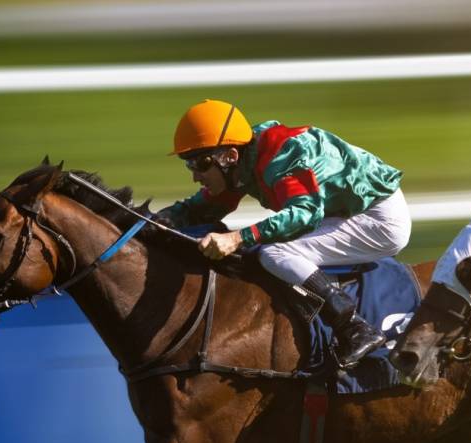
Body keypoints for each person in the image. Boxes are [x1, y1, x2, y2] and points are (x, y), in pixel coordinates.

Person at [158, 99, 408, 369]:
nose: (196, 176)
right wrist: (154, 220)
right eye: (189, 165)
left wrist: (237, 238)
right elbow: (203, 208)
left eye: (200, 164)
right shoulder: (242, 160)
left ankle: (353, 327)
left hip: (377, 219)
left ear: (229, 156)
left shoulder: (280, 156)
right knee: (264, 248)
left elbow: (304, 214)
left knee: (274, 252)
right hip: (345, 212)